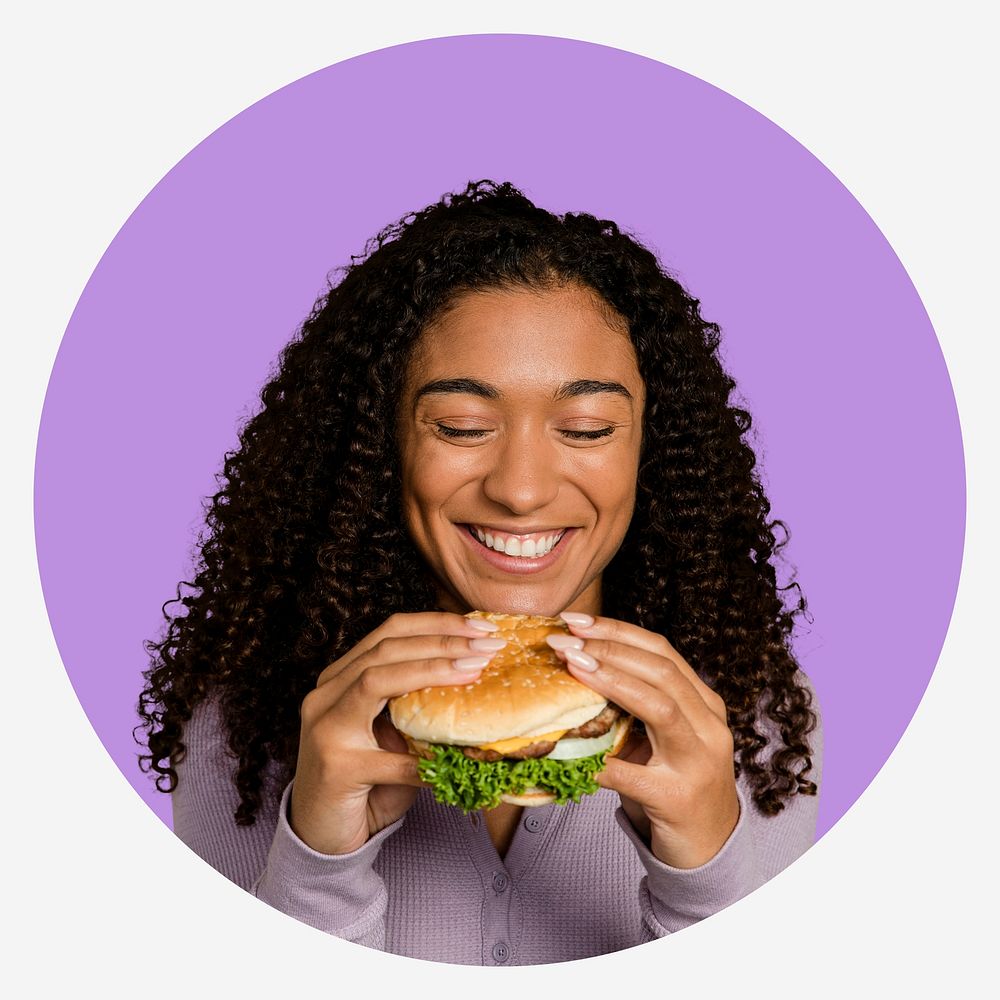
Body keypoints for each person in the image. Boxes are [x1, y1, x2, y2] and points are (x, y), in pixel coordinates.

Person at [138, 180, 821, 966]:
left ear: (652, 452)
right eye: (462, 427)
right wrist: (319, 861)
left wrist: (707, 873)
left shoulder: (756, 716)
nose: (521, 489)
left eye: (587, 427)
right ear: (377, 445)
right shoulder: (248, 725)